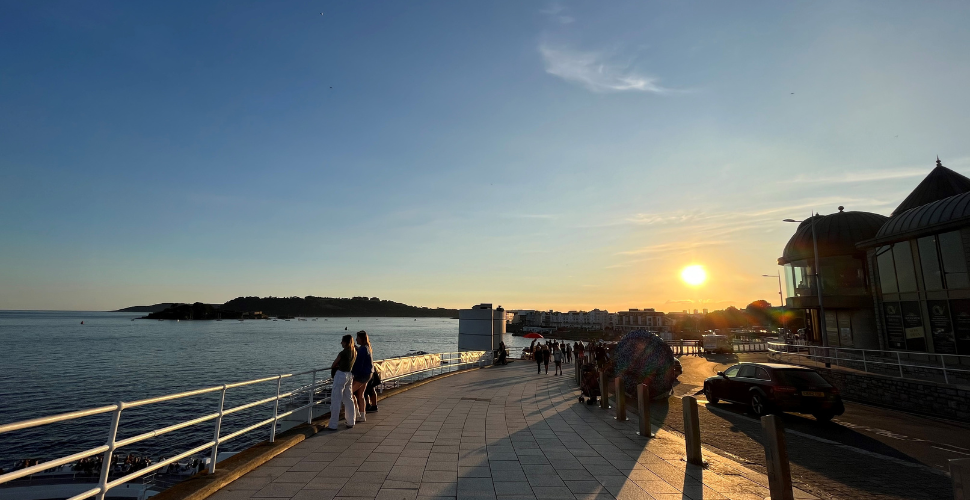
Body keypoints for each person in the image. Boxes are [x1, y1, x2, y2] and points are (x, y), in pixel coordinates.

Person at [328, 334, 357, 430]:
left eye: (342, 341)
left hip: (341, 375)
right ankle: (351, 421)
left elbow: (334, 364)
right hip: (349, 375)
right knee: (349, 399)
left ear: (345, 342)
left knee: (336, 399)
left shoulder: (343, 353)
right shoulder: (354, 352)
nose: (341, 343)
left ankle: (333, 424)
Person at [351, 330, 374, 420]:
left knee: (349, 393)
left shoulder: (363, 349)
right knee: (360, 395)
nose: (356, 339)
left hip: (362, 375)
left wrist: (353, 374)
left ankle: (355, 413)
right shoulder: (367, 347)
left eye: (357, 338)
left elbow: (359, 364)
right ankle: (362, 415)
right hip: (368, 374)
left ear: (361, 338)